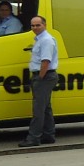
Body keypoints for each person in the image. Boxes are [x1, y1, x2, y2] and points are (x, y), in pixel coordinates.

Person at [20, 15, 58, 147]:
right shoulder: (40, 39)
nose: (35, 28)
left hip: (44, 76)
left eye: (38, 25)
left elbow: (45, 61)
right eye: (32, 25)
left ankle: (33, 138)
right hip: (45, 76)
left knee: (38, 109)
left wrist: (40, 78)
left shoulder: (46, 40)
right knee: (46, 107)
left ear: (44, 25)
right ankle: (48, 135)